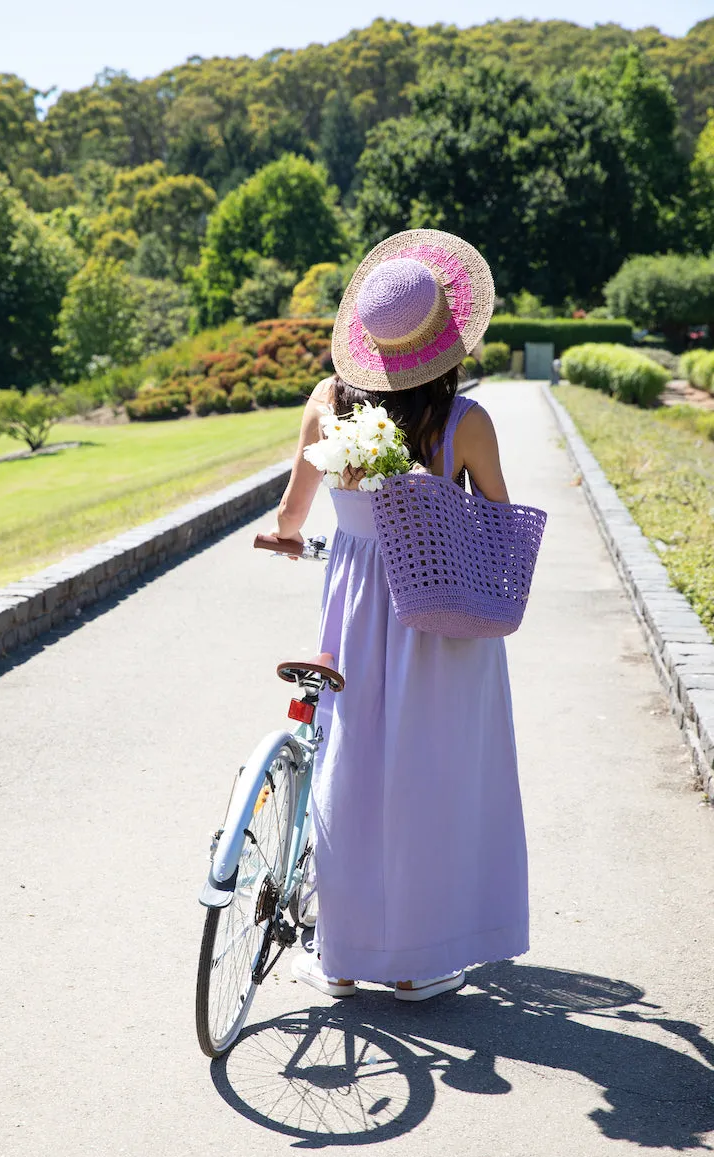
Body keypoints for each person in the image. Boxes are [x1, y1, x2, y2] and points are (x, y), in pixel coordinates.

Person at [264, 229, 529, 1002]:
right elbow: (498, 524)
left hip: (352, 604)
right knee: (432, 771)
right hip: (438, 610)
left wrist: (287, 540)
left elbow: (292, 513)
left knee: (349, 762)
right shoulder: (463, 423)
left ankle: (341, 957)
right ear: (447, 339)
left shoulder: (327, 404)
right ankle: (417, 958)